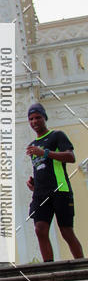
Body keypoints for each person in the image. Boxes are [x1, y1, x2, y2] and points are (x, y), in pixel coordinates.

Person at [26, 103, 84, 261]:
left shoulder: (57, 136)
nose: (34, 121)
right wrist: (33, 182)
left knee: (66, 231)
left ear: (44, 117)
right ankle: (49, 268)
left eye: (38, 117)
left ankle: (82, 265)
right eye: (31, 119)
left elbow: (70, 157)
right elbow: (41, 167)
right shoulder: (32, 146)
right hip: (40, 194)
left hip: (60, 190)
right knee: (40, 229)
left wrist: (44, 152)